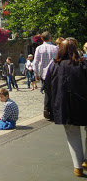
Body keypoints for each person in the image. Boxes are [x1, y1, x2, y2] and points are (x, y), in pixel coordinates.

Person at [43, 38, 87, 177]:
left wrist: (48, 107)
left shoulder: (55, 65)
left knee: (72, 135)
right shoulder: (83, 64)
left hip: (64, 106)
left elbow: (48, 88)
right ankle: (85, 159)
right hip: (83, 104)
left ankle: (77, 166)